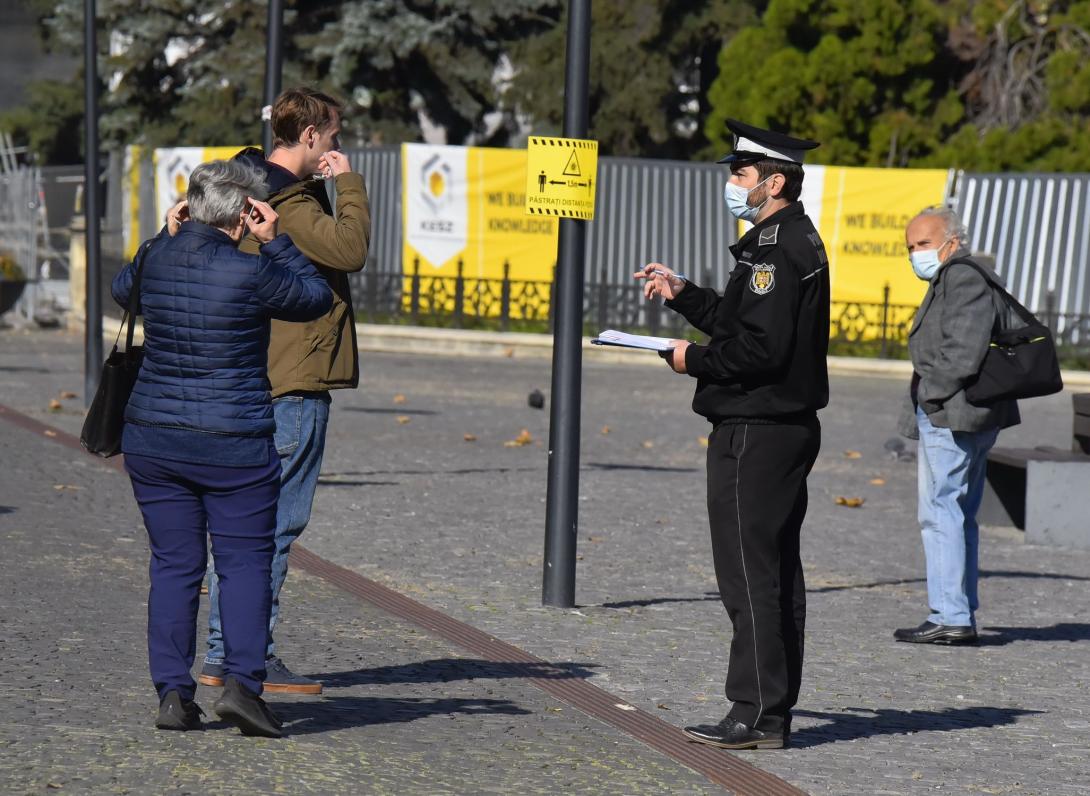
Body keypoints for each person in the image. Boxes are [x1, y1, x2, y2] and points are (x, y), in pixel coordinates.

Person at [112, 159, 333, 736]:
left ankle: (172, 694)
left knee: (174, 565)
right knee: (242, 567)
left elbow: (122, 288)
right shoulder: (251, 271)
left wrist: (166, 233)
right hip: (234, 444)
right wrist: (277, 241)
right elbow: (314, 298)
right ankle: (241, 687)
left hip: (154, 442)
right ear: (243, 216)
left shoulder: (157, 256)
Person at [635, 119, 830, 750]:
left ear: (774, 182)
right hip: (773, 426)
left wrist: (694, 361)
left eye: (740, 174)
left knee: (749, 574)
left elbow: (760, 352)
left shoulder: (779, 250)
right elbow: (743, 322)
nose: (731, 184)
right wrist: (685, 295)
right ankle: (770, 709)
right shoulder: (777, 243)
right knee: (772, 574)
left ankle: (754, 711)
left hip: (759, 427)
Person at [199, 87, 371, 695]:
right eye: (332, 137)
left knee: (245, 525)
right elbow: (349, 249)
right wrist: (347, 183)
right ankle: (249, 656)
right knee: (273, 526)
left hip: (252, 375)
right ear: (309, 138)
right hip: (294, 379)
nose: (337, 146)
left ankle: (225, 655)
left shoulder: (247, 188)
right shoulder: (289, 205)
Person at [893, 207, 1020, 645]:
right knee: (959, 514)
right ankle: (957, 610)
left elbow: (962, 352)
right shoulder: (954, 276)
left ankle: (950, 616)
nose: (915, 254)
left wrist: (930, 394)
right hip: (964, 412)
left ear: (951, 240)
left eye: (923, 244)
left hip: (952, 413)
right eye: (910, 247)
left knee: (940, 513)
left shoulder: (963, 276)